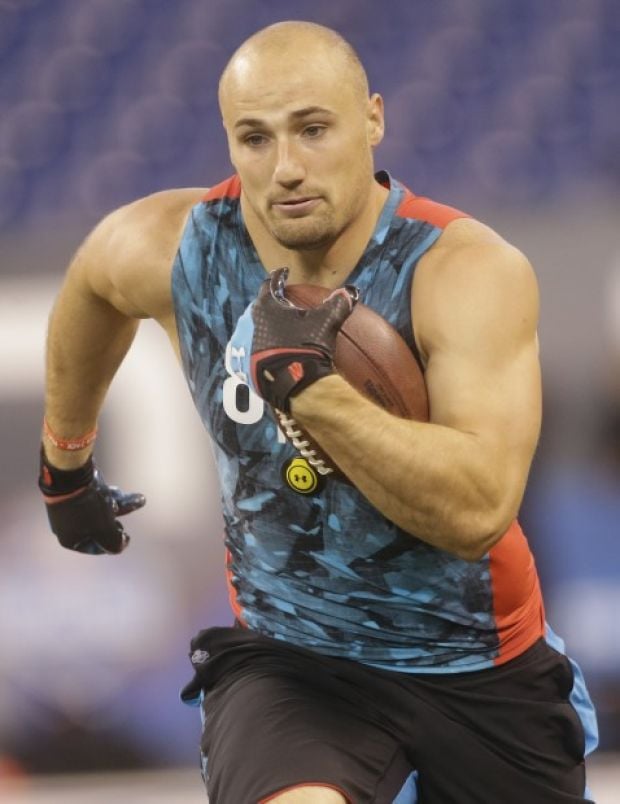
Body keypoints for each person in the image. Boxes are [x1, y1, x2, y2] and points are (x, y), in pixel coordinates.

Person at [39, 20, 598, 804]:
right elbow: (93, 286)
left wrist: (315, 393)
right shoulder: (180, 247)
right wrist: (64, 463)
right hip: (290, 664)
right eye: (254, 139)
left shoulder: (463, 271)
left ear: (372, 118)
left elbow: (477, 508)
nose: (287, 169)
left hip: (478, 668)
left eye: (312, 129)